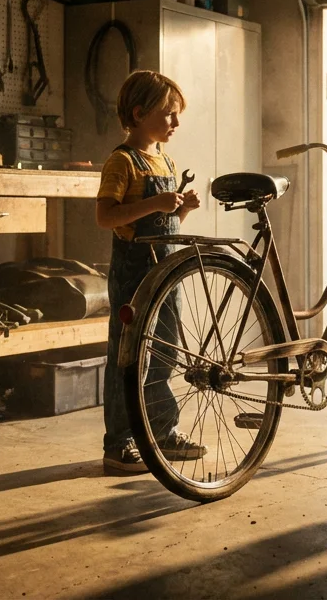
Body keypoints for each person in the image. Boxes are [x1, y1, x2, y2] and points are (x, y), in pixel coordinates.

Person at [96, 70, 208, 474]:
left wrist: (181, 210)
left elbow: (167, 220)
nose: (175, 123)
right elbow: (105, 216)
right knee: (128, 358)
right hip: (134, 275)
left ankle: (160, 433)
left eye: (177, 115)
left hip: (167, 275)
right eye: (168, 115)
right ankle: (119, 443)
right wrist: (155, 203)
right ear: (140, 114)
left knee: (164, 355)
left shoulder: (165, 158)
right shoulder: (121, 162)